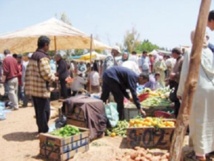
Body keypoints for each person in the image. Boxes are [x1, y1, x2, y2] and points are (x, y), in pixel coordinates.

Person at [177, 31, 214, 161]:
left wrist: (180, 92)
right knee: (210, 121)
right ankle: (208, 149)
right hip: (212, 91)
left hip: (198, 91)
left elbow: (185, 74)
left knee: (198, 121)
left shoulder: (190, 51)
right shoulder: (210, 52)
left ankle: (200, 155)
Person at [25, 36, 57, 133]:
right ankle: (44, 131)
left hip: (33, 89)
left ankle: (40, 129)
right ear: (46, 45)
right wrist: (53, 78)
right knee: (45, 111)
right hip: (41, 90)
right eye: (48, 45)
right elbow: (46, 74)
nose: (49, 47)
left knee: (38, 111)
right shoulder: (42, 57)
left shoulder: (33, 56)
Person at [169, 47, 183, 118]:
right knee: (175, 98)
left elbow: (183, 72)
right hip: (176, 82)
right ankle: (176, 113)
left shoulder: (182, 60)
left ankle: (177, 114)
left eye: (172, 53)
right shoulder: (178, 60)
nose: (172, 55)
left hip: (180, 83)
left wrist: (175, 75)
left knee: (177, 99)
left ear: (175, 53)